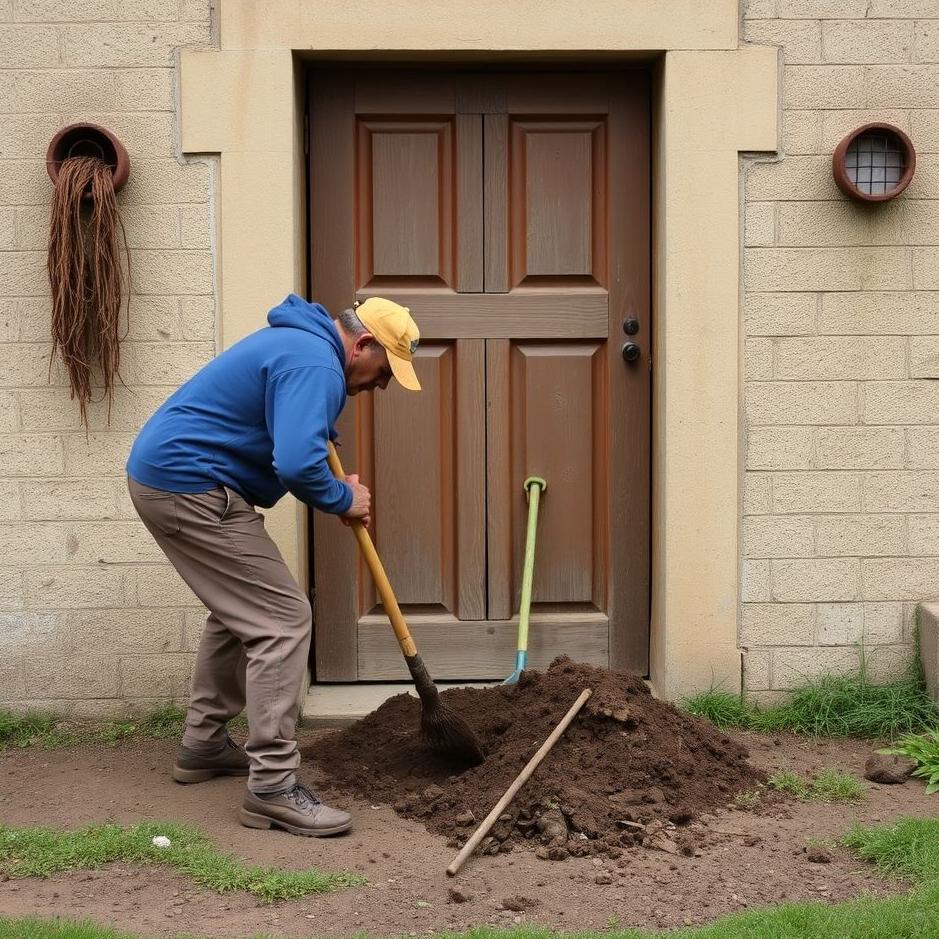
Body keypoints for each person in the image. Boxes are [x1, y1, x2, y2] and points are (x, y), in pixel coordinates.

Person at [125, 294, 421, 837]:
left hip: (174, 477)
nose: (381, 386)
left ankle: (205, 745)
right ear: (363, 344)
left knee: (243, 611)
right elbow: (296, 462)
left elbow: (289, 434)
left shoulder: (303, 350)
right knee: (282, 619)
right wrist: (340, 497)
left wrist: (319, 445)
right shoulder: (314, 362)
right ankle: (272, 788)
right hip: (189, 484)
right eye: (384, 372)